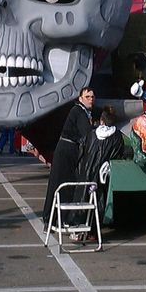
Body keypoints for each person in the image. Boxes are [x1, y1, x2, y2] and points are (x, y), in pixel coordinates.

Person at [42, 87, 96, 224]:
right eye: (87, 97)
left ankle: (57, 217)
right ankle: (55, 218)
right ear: (80, 99)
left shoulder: (85, 112)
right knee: (63, 184)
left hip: (69, 150)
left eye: (92, 97)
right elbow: (86, 133)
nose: (91, 99)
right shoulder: (78, 111)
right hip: (66, 151)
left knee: (63, 184)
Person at [68, 106, 125, 235]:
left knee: (81, 198)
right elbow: (119, 154)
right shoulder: (117, 136)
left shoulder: (92, 134)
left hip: (86, 172)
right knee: (99, 201)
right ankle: (94, 231)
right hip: (102, 176)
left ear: (101, 120)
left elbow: (81, 151)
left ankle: (77, 226)